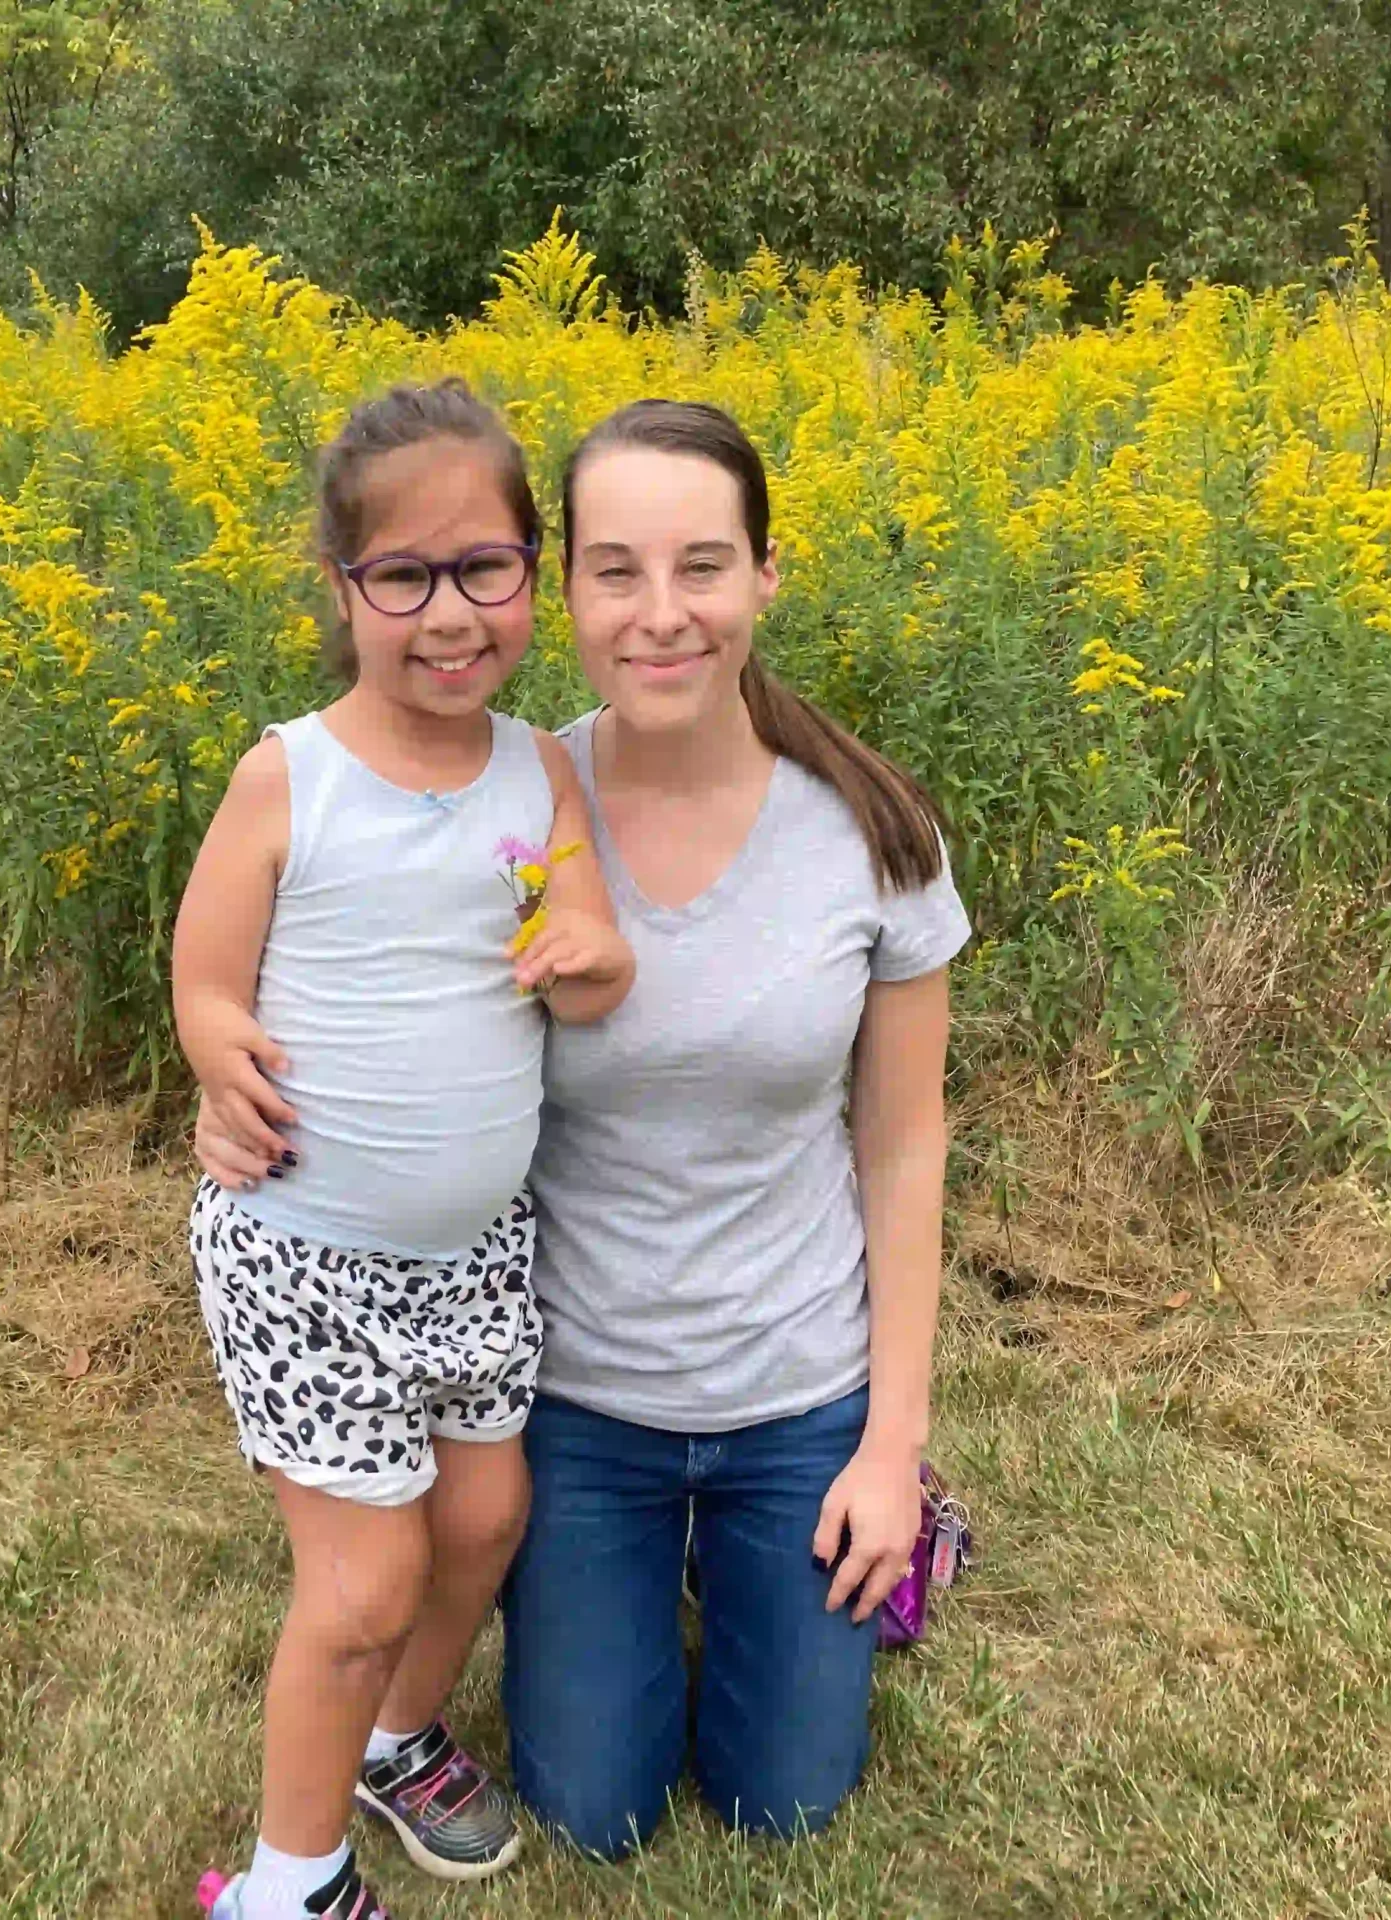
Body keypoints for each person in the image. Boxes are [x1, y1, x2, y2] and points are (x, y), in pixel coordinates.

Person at [200, 397, 967, 1859]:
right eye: (617, 570)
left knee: (785, 1800)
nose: (661, 614)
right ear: (566, 593)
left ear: (766, 576)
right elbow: (344, 975)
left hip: (798, 1392)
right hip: (574, 1399)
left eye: (703, 566)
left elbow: (905, 1149)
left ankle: (876, 1523)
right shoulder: (502, 794)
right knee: (594, 1807)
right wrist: (221, 1071)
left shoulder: (872, 830)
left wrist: (890, 1443)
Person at [178, 377, 634, 1920]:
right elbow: (200, 975)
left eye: (485, 569)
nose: (450, 614)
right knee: (364, 1582)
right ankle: (286, 1886)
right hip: (304, 1253)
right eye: (404, 578)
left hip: (476, 1259)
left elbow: (598, 942)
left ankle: (395, 1738)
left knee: (489, 1520)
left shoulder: (536, 769)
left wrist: (582, 950)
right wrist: (209, 1048)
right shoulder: (289, 773)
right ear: (345, 590)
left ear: (534, 570)